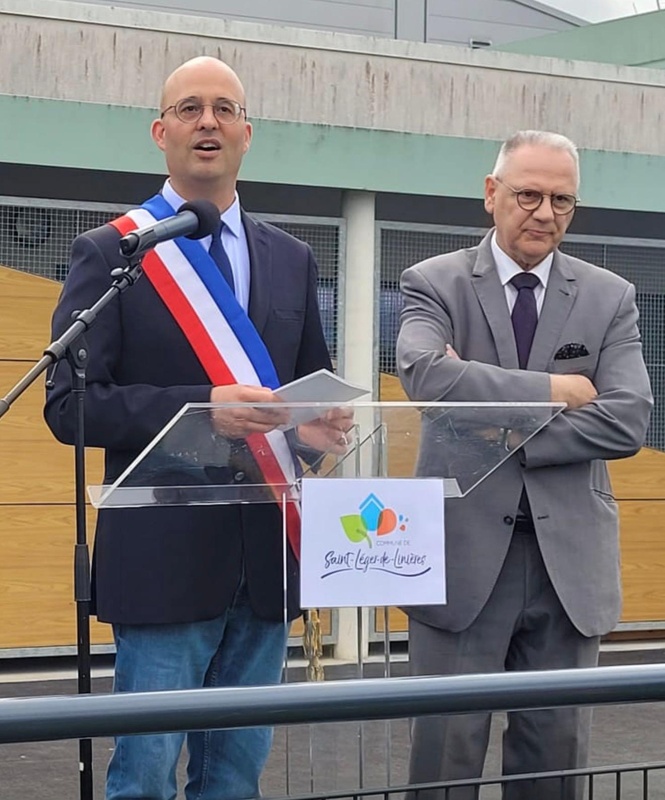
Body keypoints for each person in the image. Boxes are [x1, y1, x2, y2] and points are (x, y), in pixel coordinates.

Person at [44, 56, 348, 800]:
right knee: (143, 778)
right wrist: (198, 407)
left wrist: (316, 430)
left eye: (223, 108)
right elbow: (68, 403)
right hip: (162, 560)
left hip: (267, 561)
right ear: (160, 132)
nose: (207, 121)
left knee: (233, 780)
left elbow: (305, 389)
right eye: (188, 108)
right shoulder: (114, 251)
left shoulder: (293, 258)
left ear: (248, 132)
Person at [396, 130, 653, 800]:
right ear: (491, 195)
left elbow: (627, 419)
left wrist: (498, 426)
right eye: (528, 195)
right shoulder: (433, 283)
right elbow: (425, 377)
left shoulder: (610, 297)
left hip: (567, 571)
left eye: (561, 201)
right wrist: (552, 392)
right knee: (443, 765)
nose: (543, 213)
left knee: (554, 770)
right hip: (461, 564)